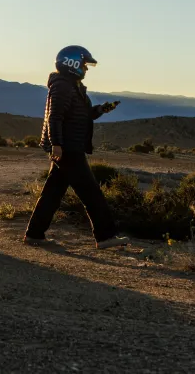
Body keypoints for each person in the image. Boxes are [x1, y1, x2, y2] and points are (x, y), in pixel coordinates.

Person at [24, 45, 127, 249]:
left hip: (71, 146)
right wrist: (57, 145)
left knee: (52, 193)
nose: (86, 69)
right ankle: (106, 236)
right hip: (68, 148)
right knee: (91, 193)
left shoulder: (74, 87)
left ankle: (34, 234)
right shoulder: (62, 86)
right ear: (72, 63)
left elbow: (85, 114)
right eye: (84, 65)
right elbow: (55, 117)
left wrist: (101, 109)